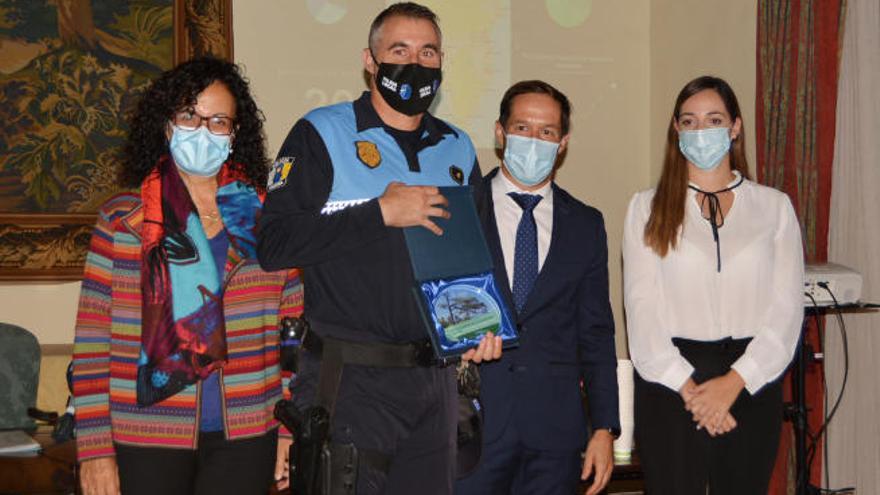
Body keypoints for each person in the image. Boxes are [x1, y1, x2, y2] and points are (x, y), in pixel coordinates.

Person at [257, 3, 501, 494]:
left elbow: (479, 256)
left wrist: (487, 325)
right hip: (349, 381)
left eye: (427, 51)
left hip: (435, 383)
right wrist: (378, 213)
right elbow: (274, 244)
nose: (415, 62)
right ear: (370, 60)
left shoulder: (456, 147)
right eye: (400, 50)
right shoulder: (321, 132)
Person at [72, 57, 302, 495]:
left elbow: (293, 340)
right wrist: (95, 450)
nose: (202, 130)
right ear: (166, 125)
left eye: (218, 121)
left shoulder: (267, 222)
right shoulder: (123, 222)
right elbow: (90, 345)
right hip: (144, 433)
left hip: (249, 434)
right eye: (188, 117)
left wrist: (289, 432)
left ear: (234, 136)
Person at [623, 75, 804, 494]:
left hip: (751, 381)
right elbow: (641, 309)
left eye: (713, 119)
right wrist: (694, 392)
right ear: (676, 129)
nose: (701, 132)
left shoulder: (774, 208)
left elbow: (786, 310)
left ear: (735, 127)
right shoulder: (645, 207)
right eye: (689, 122)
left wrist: (734, 383)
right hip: (671, 384)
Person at [453, 80, 620, 495]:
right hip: (471, 427)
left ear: (562, 143)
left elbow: (597, 333)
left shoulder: (585, 224)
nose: (534, 140)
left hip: (555, 436)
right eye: (523, 128)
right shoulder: (458, 211)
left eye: (547, 132)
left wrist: (604, 428)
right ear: (500, 132)